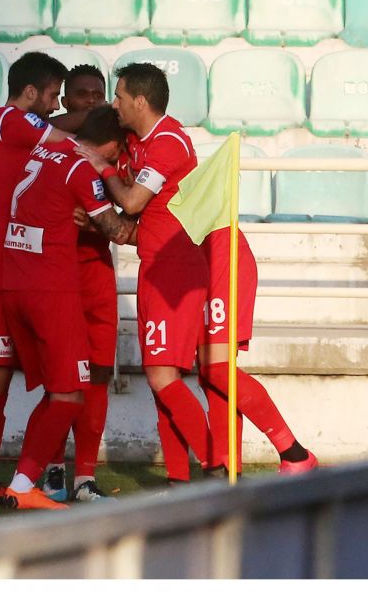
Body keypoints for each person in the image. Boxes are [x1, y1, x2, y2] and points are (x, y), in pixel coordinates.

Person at [78, 63, 211, 485]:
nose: (113, 104)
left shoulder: (169, 142)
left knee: (161, 375)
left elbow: (133, 202)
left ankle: (216, 465)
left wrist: (99, 166)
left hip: (175, 269)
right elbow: (131, 222)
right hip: (156, 263)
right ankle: (178, 479)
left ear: (139, 100)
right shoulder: (140, 141)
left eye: (118, 96)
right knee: (162, 379)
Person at [0, 106, 133, 509]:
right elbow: (121, 231)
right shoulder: (83, 169)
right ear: (112, 144)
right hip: (56, 286)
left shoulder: (39, 153)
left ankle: (62, 478)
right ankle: (34, 478)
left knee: (78, 383)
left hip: (29, 280)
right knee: (68, 391)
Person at [0, 52, 71, 503]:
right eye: (51, 96)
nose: (54, 105)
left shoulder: (5, 124)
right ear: (29, 93)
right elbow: (67, 144)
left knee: (1, 378)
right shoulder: (11, 119)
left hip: (11, 266)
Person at [39, 70, 126, 502]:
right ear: (65, 101)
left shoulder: (120, 147)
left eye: (98, 94)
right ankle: (52, 470)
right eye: (81, 95)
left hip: (95, 274)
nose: (91, 101)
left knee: (96, 376)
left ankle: (85, 477)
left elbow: (135, 209)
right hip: (56, 273)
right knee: (59, 379)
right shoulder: (48, 148)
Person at [197, 226, 318, 475]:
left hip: (218, 248)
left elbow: (136, 205)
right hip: (197, 254)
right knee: (209, 375)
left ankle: (294, 452)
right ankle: (228, 473)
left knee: (216, 370)